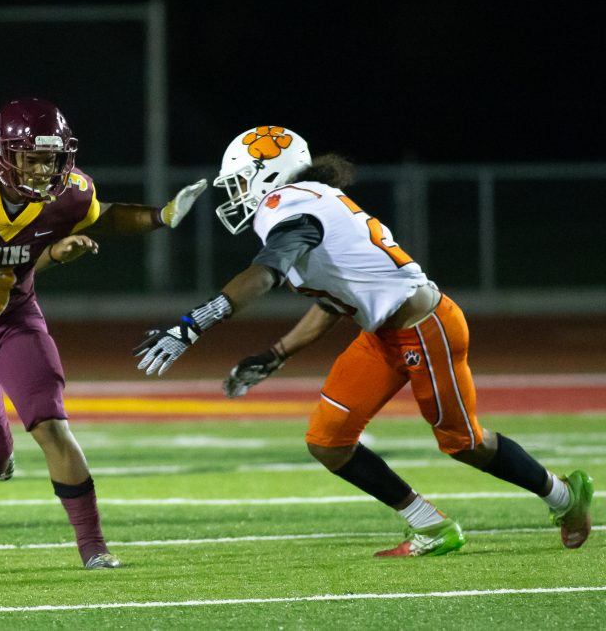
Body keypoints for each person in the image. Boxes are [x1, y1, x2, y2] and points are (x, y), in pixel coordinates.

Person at [134, 125, 594, 556]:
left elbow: (264, 274)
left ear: (267, 174)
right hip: (382, 336)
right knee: (328, 441)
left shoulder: (288, 206)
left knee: (463, 443)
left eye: (238, 182)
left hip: (425, 328)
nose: (235, 195)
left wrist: (192, 324)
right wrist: (277, 353)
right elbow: (335, 301)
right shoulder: (312, 201)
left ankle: (563, 494)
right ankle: (431, 525)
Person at [0, 97, 207, 569]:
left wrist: (161, 216)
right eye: (32, 158)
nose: (43, 170)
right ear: (2, 154)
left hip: (15, 322)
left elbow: (105, 214)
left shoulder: (68, 194)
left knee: (51, 425)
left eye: (52, 159)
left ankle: (94, 547)